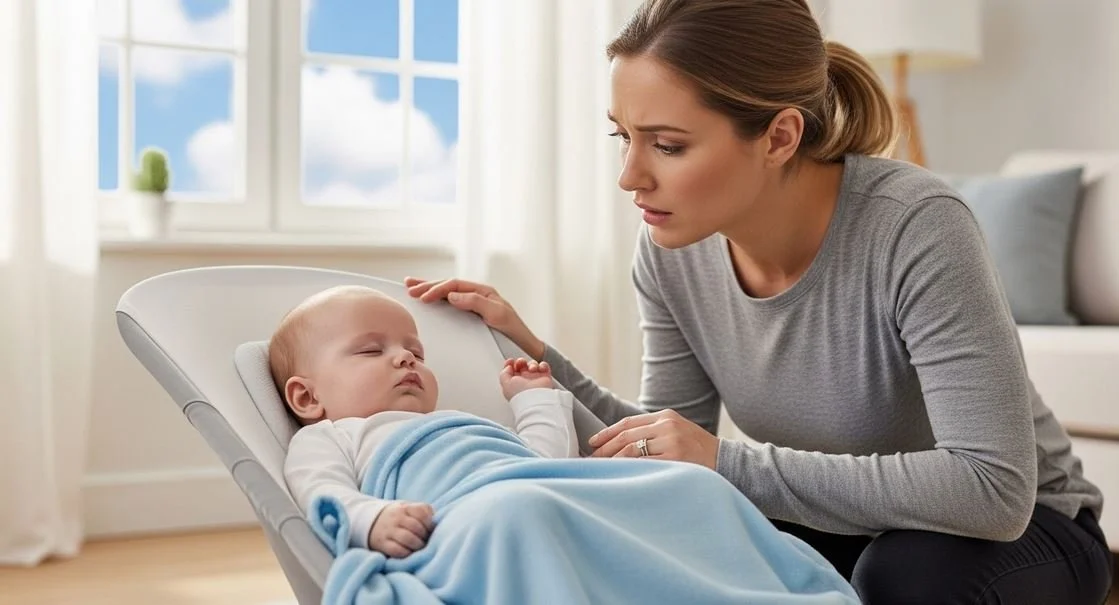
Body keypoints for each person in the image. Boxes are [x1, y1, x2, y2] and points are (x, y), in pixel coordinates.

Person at [403, 0, 1115, 602]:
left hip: (1020, 531)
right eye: (623, 137)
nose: (629, 176)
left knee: (901, 575)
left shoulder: (913, 223)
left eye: (668, 145)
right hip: (848, 526)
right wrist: (527, 349)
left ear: (778, 135)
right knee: (674, 538)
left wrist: (727, 463)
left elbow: (989, 488)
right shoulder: (669, 252)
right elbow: (666, 449)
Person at [270, 285, 577, 559]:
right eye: (371, 350)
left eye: (416, 353)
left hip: (538, 500)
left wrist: (534, 398)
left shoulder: (465, 426)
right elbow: (320, 491)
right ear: (307, 398)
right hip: (478, 520)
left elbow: (548, 463)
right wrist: (371, 519)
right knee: (523, 506)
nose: (406, 357)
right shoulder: (333, 437)